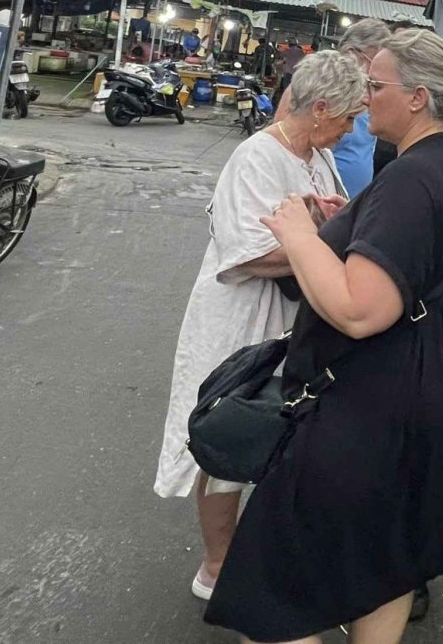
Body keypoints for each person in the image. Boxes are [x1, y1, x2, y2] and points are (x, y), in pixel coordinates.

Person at [204, 31, 443, 644]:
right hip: (432, 388)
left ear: (415, 98)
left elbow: (360, 310)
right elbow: (410, 264)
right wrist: (345, 231)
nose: (366, 96)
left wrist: (298, 233)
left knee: (274, 588)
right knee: (386, 566)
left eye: (375, 86)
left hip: (375, 409)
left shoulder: (412, 178)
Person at [152, 50, 363, 603]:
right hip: (242, 319)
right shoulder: (256, 157)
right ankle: (216, 566)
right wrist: (317, 243)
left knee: (279, 435)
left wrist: (332, 220)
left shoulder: (317, 156)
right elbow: (247, 255)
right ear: (320, 110)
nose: (351, 129)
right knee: (230, 436)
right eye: (347, 118)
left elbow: (314, 231)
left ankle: (259, 553)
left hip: (289, 316)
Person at [275, 19, 393, 199]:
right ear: (352, 52)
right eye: (374, 61)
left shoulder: (369, 95)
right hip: (312, 200)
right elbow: (282, 141)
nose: (377, 70)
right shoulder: (310, 86)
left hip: (349, 203)